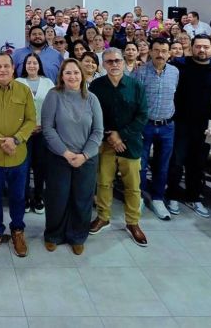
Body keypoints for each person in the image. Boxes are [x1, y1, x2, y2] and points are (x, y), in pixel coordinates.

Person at [39, 59, 103, 254]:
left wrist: (84, 155)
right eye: (68, 73)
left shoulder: (92, 98)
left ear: (82, 75)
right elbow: (48, 129)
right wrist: (66, 153)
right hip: (59, 157)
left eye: (76, 72)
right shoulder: (54, 95)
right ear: (62, 76)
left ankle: (77, 236)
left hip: (87, 158)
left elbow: (98, 131)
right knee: (57, 197)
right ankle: (53, 235)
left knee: (82, 198)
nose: (72, 76)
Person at [0, 54, 36, 257]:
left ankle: (17, 230)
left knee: (18, 197)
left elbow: (31, 120)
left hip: (18, 155)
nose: (2, 70)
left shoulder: (24, 90)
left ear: (13, 69)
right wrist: (3, 142)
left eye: (6, 66)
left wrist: (15, 140)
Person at [89, 49, 149, 246]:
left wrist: (121, 135)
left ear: (123, 62)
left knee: (132, 186)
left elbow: (142, 115)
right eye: (109, 61)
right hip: (105, 143)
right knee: (104, 183)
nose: (114, 64)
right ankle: (103, 217)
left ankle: (132, 222)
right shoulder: (96, 86)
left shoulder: (136, 86)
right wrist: (111, 135)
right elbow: (93, 115)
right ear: (103, 64)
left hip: (130, 144)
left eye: (117, 61)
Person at [167, 35, 211, 217]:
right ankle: (172, 195)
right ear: (191, 48)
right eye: (198, 46)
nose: (202, 50)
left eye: (205, 47)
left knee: (198, 163)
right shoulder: (179, 64)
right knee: (176, 162)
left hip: (207, 125)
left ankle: (193, 197)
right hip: (180, 122)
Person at [133, 38, 179, 220]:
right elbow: (134, 100)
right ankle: (140, 195)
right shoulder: (140, 72)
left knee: (163, 165)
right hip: (145, 125)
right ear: (150, 51)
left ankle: (158, 198)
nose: (160, 54)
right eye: (157, 50)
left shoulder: (175, 72)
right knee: (141, 164)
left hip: (167, 125)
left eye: (164, 51)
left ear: (169, 53)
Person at [16, 54, 55, 214]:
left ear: (39, 65)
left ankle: (39, 197)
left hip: (43, 131)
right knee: (23, 167)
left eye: (35, 63)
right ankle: (24, 197)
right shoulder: (17, 82)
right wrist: (26, 127)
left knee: (40, 167)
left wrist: (43, 126)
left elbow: (53, 106)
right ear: (24, 66)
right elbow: (14, 108)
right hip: (23, 133)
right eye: (29, 63)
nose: (32, 65)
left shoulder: (48, 82)